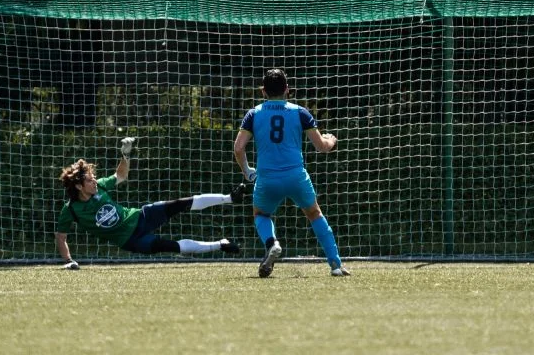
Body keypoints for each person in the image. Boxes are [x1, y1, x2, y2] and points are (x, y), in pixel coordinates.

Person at [56, 136, 247, 269]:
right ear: (79, 187)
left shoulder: (101, 186)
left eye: (93, 177)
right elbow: (61, 237)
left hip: (140, 216)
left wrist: (126, 155)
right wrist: (69, 260)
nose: (94, 181)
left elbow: (120, 175)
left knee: (180, 203)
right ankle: (221, 244)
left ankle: (229, 198)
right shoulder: (71, 210)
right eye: (89, 180)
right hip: (131, 241)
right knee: (173, 246)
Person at [233, 68, 350, 277]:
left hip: (267, 178)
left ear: (263, 91)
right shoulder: (300, 112)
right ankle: (336, 265)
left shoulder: (254, 114)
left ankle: (272, 243)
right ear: (287, 90)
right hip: (296, 176)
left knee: (261, 214)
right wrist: (331, 140)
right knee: (314, 213)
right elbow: (321, 146)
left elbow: (238, 148)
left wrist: (247, 171)